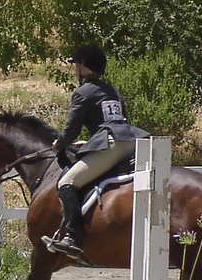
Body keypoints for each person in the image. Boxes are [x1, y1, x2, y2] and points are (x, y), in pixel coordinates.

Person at [42, 44, 149, 260]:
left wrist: (59, 144)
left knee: (67, 183)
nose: (75, 69)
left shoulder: (83, 92)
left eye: (76, 64)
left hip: (111, 145)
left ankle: (72, 238)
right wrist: (92, 142)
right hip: (131, 141)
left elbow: (71, 129)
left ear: (82, 65)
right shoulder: (112, 90)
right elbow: (115, 121)